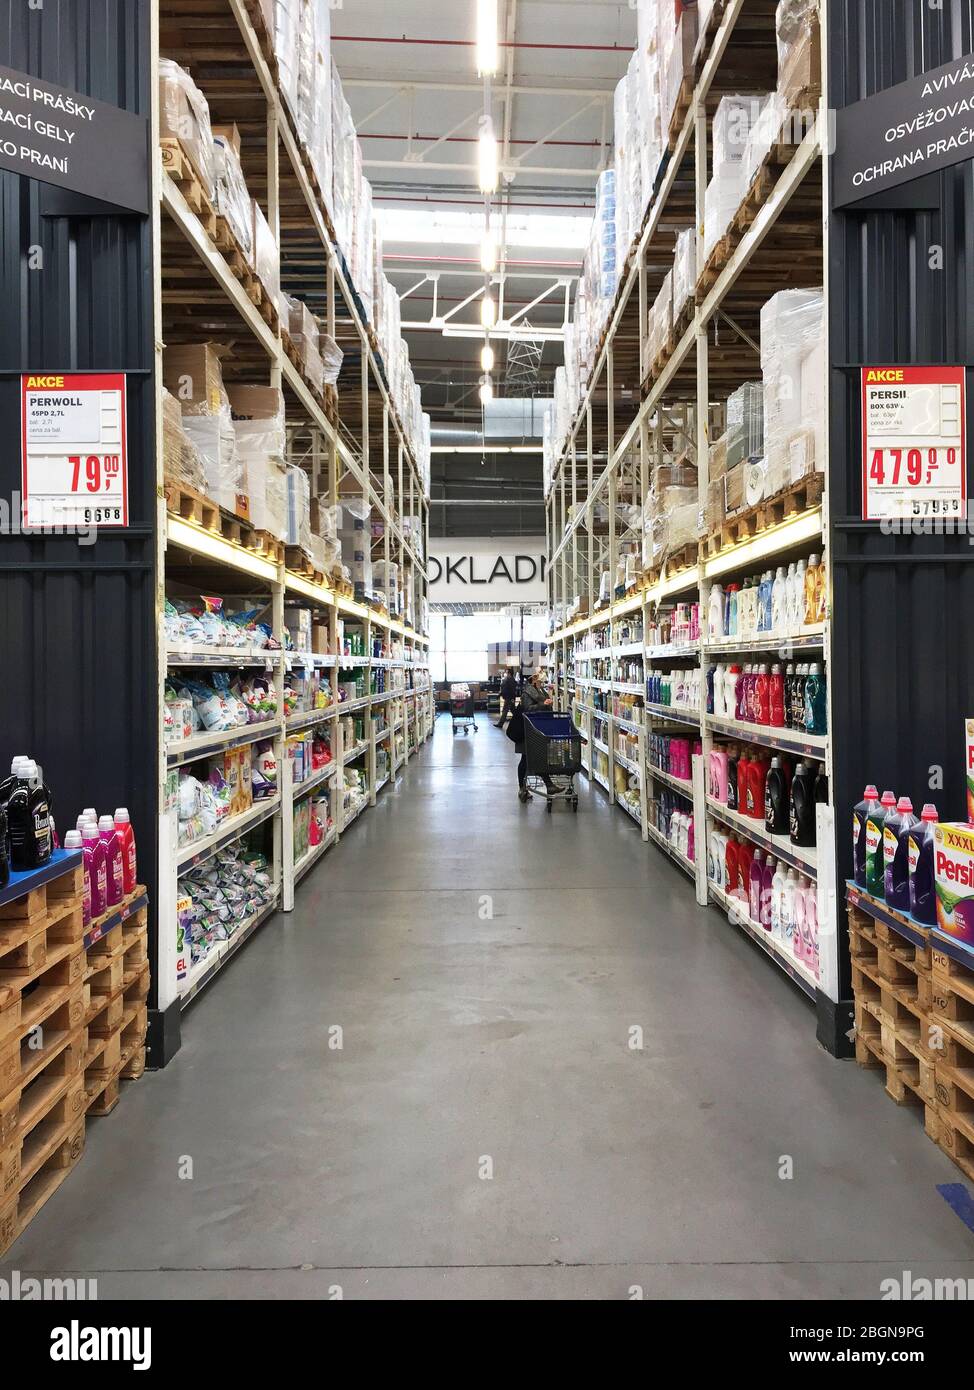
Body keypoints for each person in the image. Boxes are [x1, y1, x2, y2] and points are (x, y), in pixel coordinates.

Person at [506, 672, 553, 802]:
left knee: (530, 759)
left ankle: (545, 786)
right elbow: (528, 709)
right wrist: (544, 704)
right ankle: (524, 788)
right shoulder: (527, 692)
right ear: (533, 679)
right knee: (526, 759)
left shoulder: (540, 689)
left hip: (536, 729)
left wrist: (548, 702)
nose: (542, 678)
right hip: (526, 731)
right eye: (539, 676)